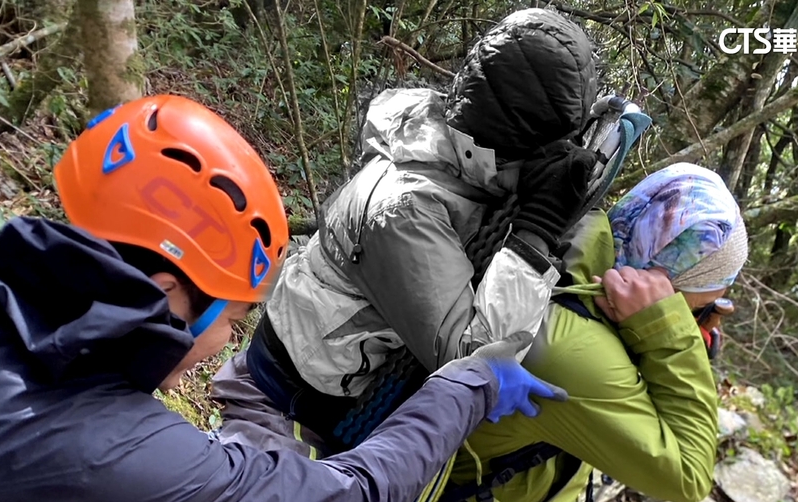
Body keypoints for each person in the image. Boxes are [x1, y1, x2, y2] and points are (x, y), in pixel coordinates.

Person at [0, 94, 567, 502]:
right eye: (230, 317)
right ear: (167, 291)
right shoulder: (132, 463)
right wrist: (470, 382)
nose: (225, 345)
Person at [213, 8, 600, 462]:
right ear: (505, 141)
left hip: (322, 393)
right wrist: (537, 229)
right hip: (284, 413)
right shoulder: (405, 205)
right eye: (542, 158)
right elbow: (471, 364)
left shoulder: (457, 150)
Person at [370, 163, 750, 502]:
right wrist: (670, 334)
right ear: (658, 283)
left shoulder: (571, 247)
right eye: (700, 309)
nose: (701, 326)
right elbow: (688, 477)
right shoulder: (575, 350)